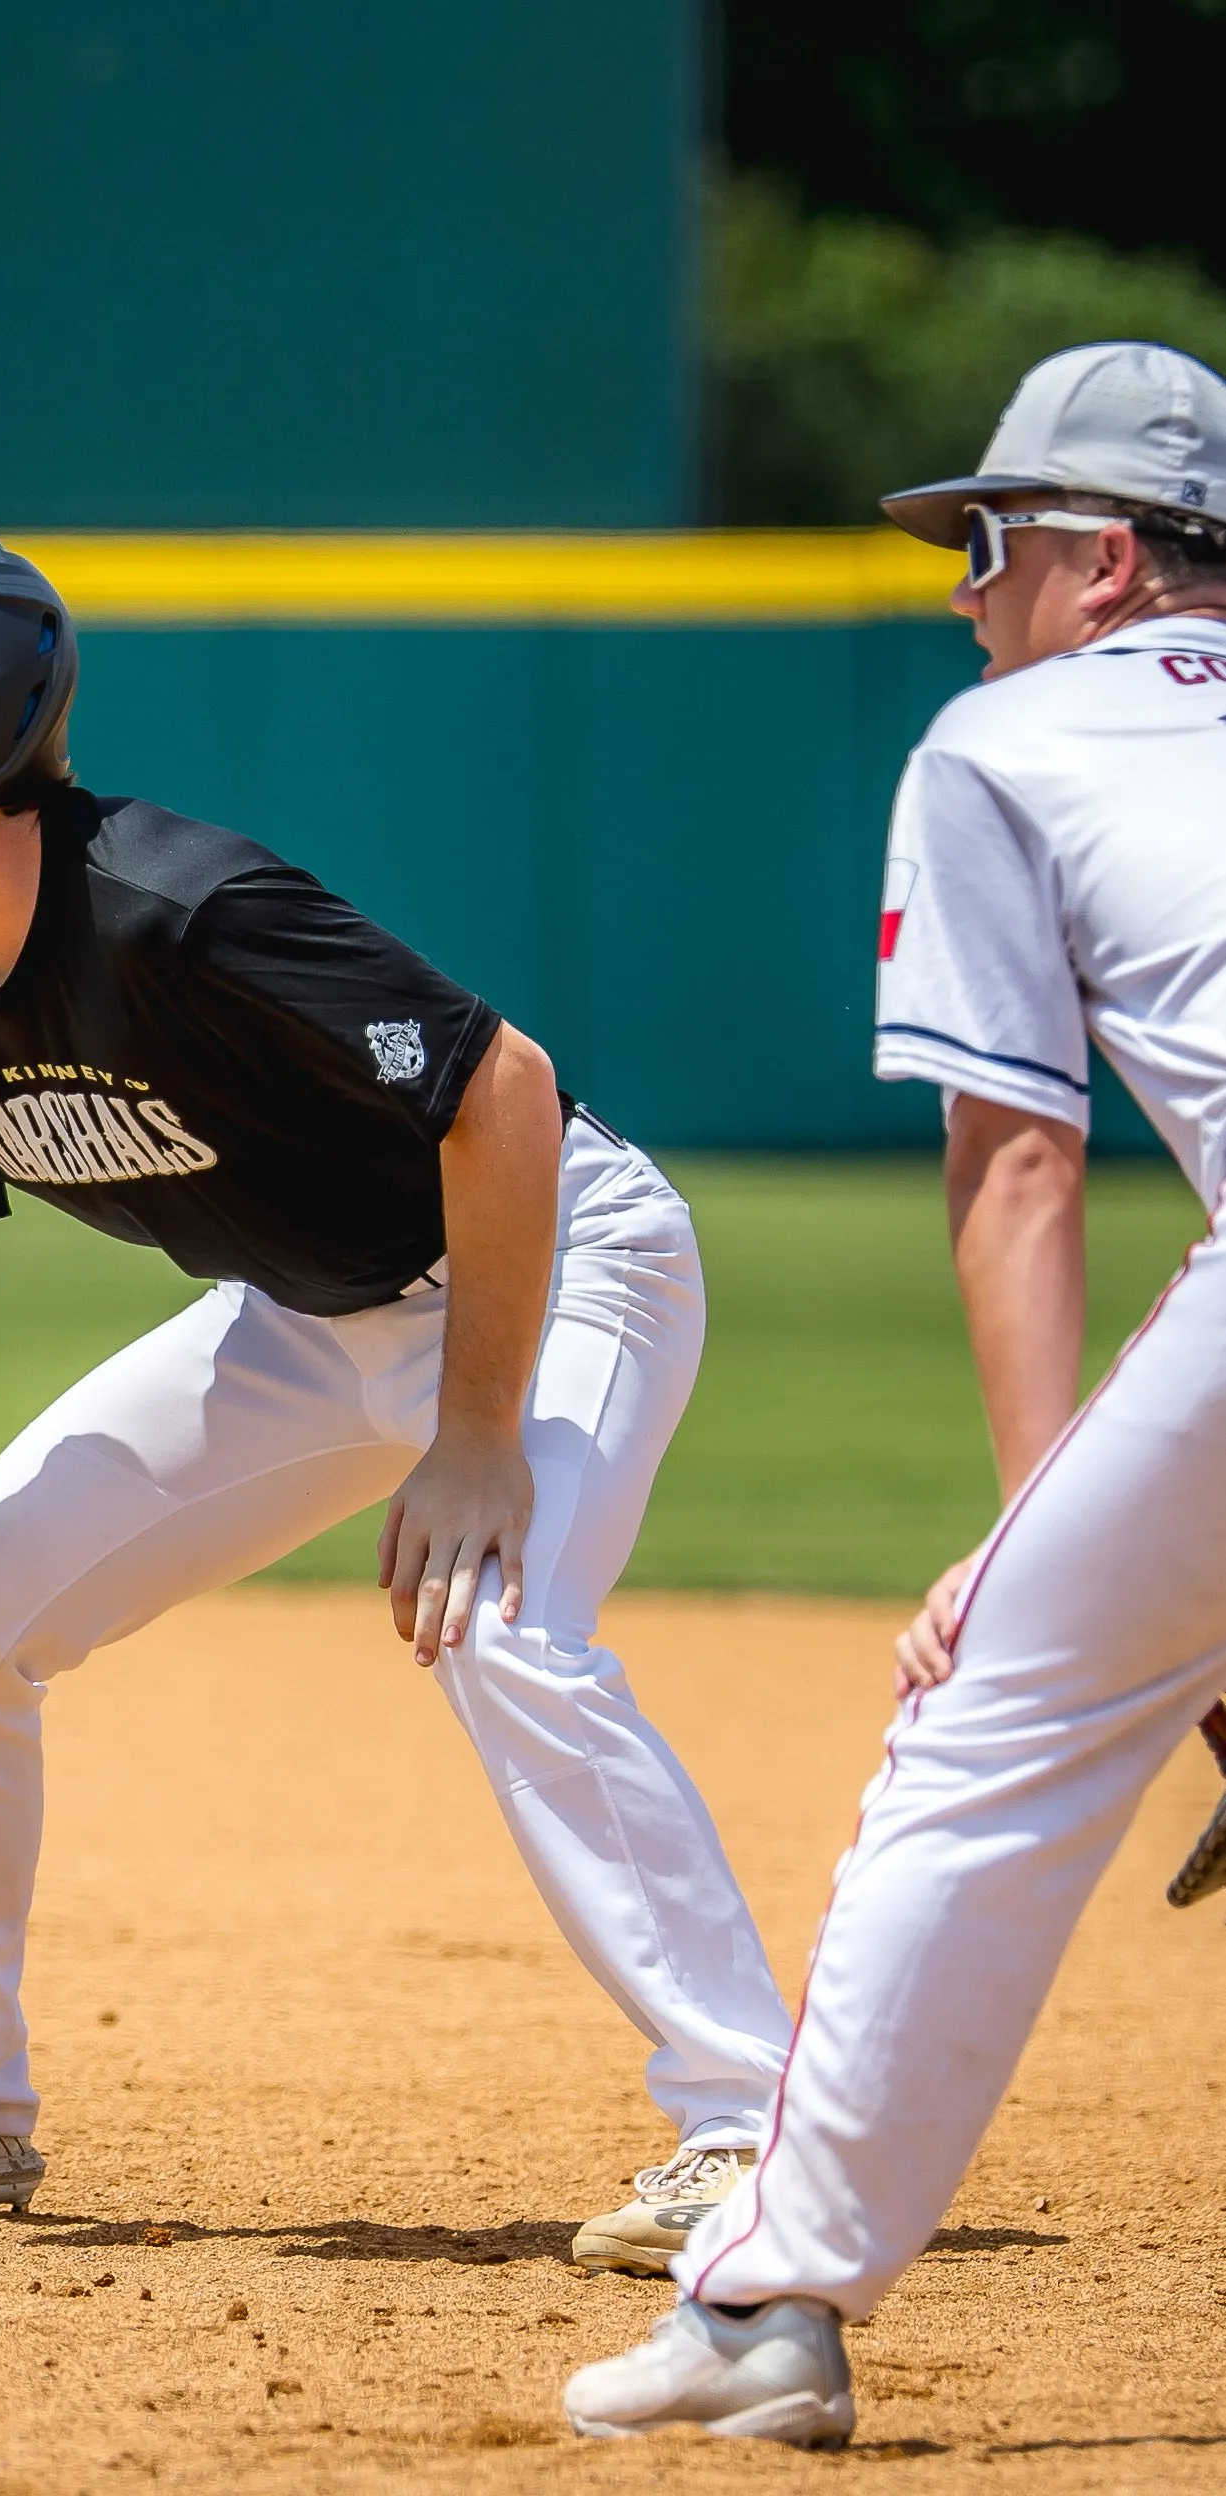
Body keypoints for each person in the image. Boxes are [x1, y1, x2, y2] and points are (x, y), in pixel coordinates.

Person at [0, 517, 790, 2237]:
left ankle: (758, 2133)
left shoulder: (175, 908)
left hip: (556, 1263)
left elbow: (507, 1094)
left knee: (501, 1623)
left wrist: (480, 1432)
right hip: (303, 1315)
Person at [562, 339, 1226, 2448]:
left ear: (1102, 561)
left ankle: (768, 2302)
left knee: (988, 1727)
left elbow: (1016, 1161)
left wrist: (1038, 1552)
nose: (962, 588)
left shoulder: (1001, 739)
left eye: (988, 542)